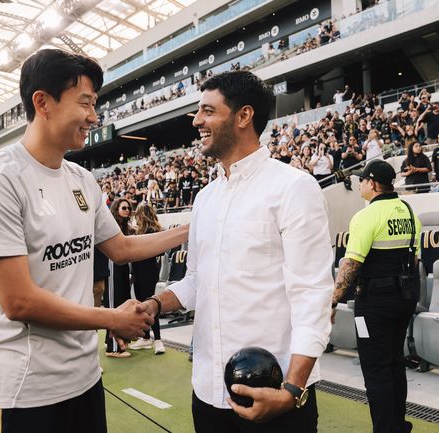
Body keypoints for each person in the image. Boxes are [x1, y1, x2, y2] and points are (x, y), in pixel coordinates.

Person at [0, 49, 188, 433]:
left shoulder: (82, 179)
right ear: (42, 103)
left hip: (84, 380)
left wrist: (191, 229)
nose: (93, 117)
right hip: (19, 391)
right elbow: (18, 301)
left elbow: (121, 248)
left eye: (94, 104)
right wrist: (112, 318)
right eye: (84, 103)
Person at [141, 70, 334, 433]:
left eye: (208, 111)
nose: (196, 121)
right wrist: (154, 305)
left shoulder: (294, 188)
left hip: (275, 395)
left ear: (244, 116)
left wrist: (292, 390)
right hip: (208, 394)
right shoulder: (205, 198)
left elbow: (313, 295)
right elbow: (196, 281)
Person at [332, 160, 421, 433]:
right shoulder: (409, 212)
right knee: (394, 362)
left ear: (372, 183)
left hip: (374, 303)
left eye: (362, 180)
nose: (359, 184)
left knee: (376, 368)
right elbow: (414, 261)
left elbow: (351, 264)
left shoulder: (365, 216)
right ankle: (398, 425)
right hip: (405, 298)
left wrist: (332, 301)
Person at [129, 204, 165, 354]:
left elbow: (160, 252)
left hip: (147, 271)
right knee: (142, 303)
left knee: (149, 305)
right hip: (140, 270)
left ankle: (158, 340)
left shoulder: (151, 231)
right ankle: (145, 337)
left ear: (142, 215)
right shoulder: (141, 231)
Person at [105, 198, 134, 358]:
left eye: (128, 208)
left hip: (122, 266)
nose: (127, 210)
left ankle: (117, 341)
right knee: (114, 302)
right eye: (124, 208)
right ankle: (113, 348)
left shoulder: (125, 227)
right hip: (112, 265)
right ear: (116, 210)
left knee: (123, 299)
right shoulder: (112, 226)